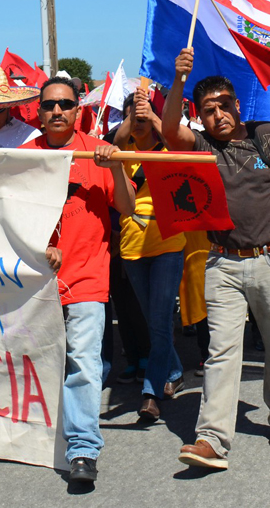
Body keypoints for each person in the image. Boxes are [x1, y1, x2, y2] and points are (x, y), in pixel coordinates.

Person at [161, 47, 270, 470]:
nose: (219, 114)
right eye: (209, 109)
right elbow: (169, 131)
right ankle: (211, 438)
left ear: (237, 104)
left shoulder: (268, 136)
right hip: (222, 263)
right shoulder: (200, 143)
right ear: (200, 115)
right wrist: (177, 79)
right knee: (221, 351)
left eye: (225, 105)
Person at [20, 76, 135, 484]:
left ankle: (83, 448)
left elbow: (127, 206)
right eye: (50, 104)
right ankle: (30, 436)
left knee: (84, 363)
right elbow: (8, 218)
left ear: (77, 110)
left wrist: (117, 165)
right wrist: (38, 249)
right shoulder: (23, 156)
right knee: (36, 362)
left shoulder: (97, 152)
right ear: (38, 110)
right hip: (36, 282)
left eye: (65, 105)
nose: (57, 111)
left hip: (87, 278)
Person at [112, 88, 187, 422]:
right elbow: (115, 140)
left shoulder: (168, 147)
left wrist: (153, 114)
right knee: (152, 320)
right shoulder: (120, 151)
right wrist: (132, 116)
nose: (139, 123)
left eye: (144, 117)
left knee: (159, 320)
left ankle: (150, 392)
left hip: (169, 245)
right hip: (131, 246)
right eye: (134, 117)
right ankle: (173, 370)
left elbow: (176, 138)